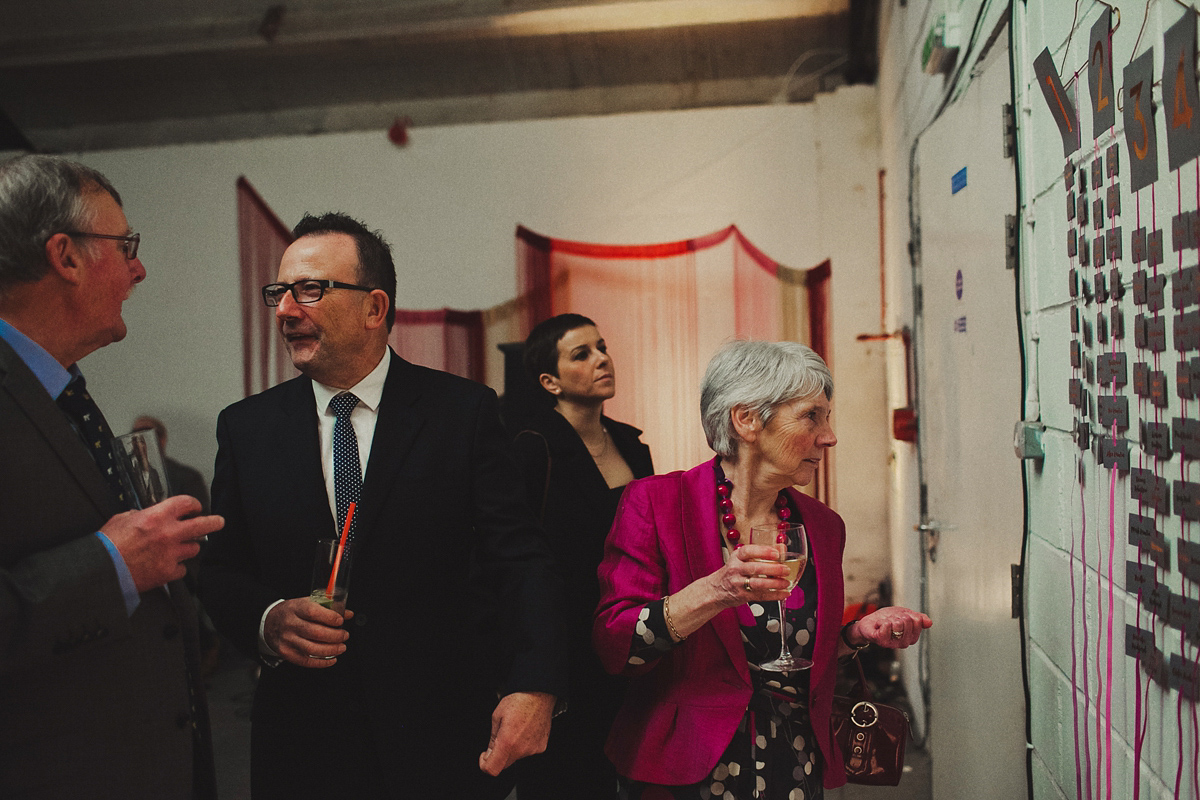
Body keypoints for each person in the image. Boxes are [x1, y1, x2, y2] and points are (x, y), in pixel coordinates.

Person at [199, 211, 567, 799]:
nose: (286, 310)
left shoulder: (463, 413)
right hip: (303, 745)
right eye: (279, 292)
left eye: (311, 290)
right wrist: (268, 620)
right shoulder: (246, 429)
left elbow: (520, 559)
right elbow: (222, 571)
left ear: (375, 308)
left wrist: (536, 685)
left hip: (440, 739)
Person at [593, 340, 932, 798]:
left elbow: (793, 656)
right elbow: (616, 645)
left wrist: (856, 636)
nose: (829, 436)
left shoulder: (823, 527)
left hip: (793, 764)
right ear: (747, 419)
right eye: (812, 416)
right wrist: (715, 591)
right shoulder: (654, 504)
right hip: (685, 768)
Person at [0, 154, 223, 799]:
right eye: (124, 245)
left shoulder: (62, 391)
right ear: (64, 257)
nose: (139, 268)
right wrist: (112, 564)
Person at [509, 314, 654, 799]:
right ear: (550, 382)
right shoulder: (531, 448)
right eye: (582, 354)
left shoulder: (633, 444)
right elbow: (516, 560)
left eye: (602, 346)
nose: (602, 359)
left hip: (630, 637)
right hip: (565, 646)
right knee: (567, 780)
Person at [133, 415, 211, 512]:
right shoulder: (128, 476)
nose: (140, 439)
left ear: (162, 438)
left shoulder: (188, 477)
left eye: (146, 432)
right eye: (134, 434)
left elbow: (200, 515)